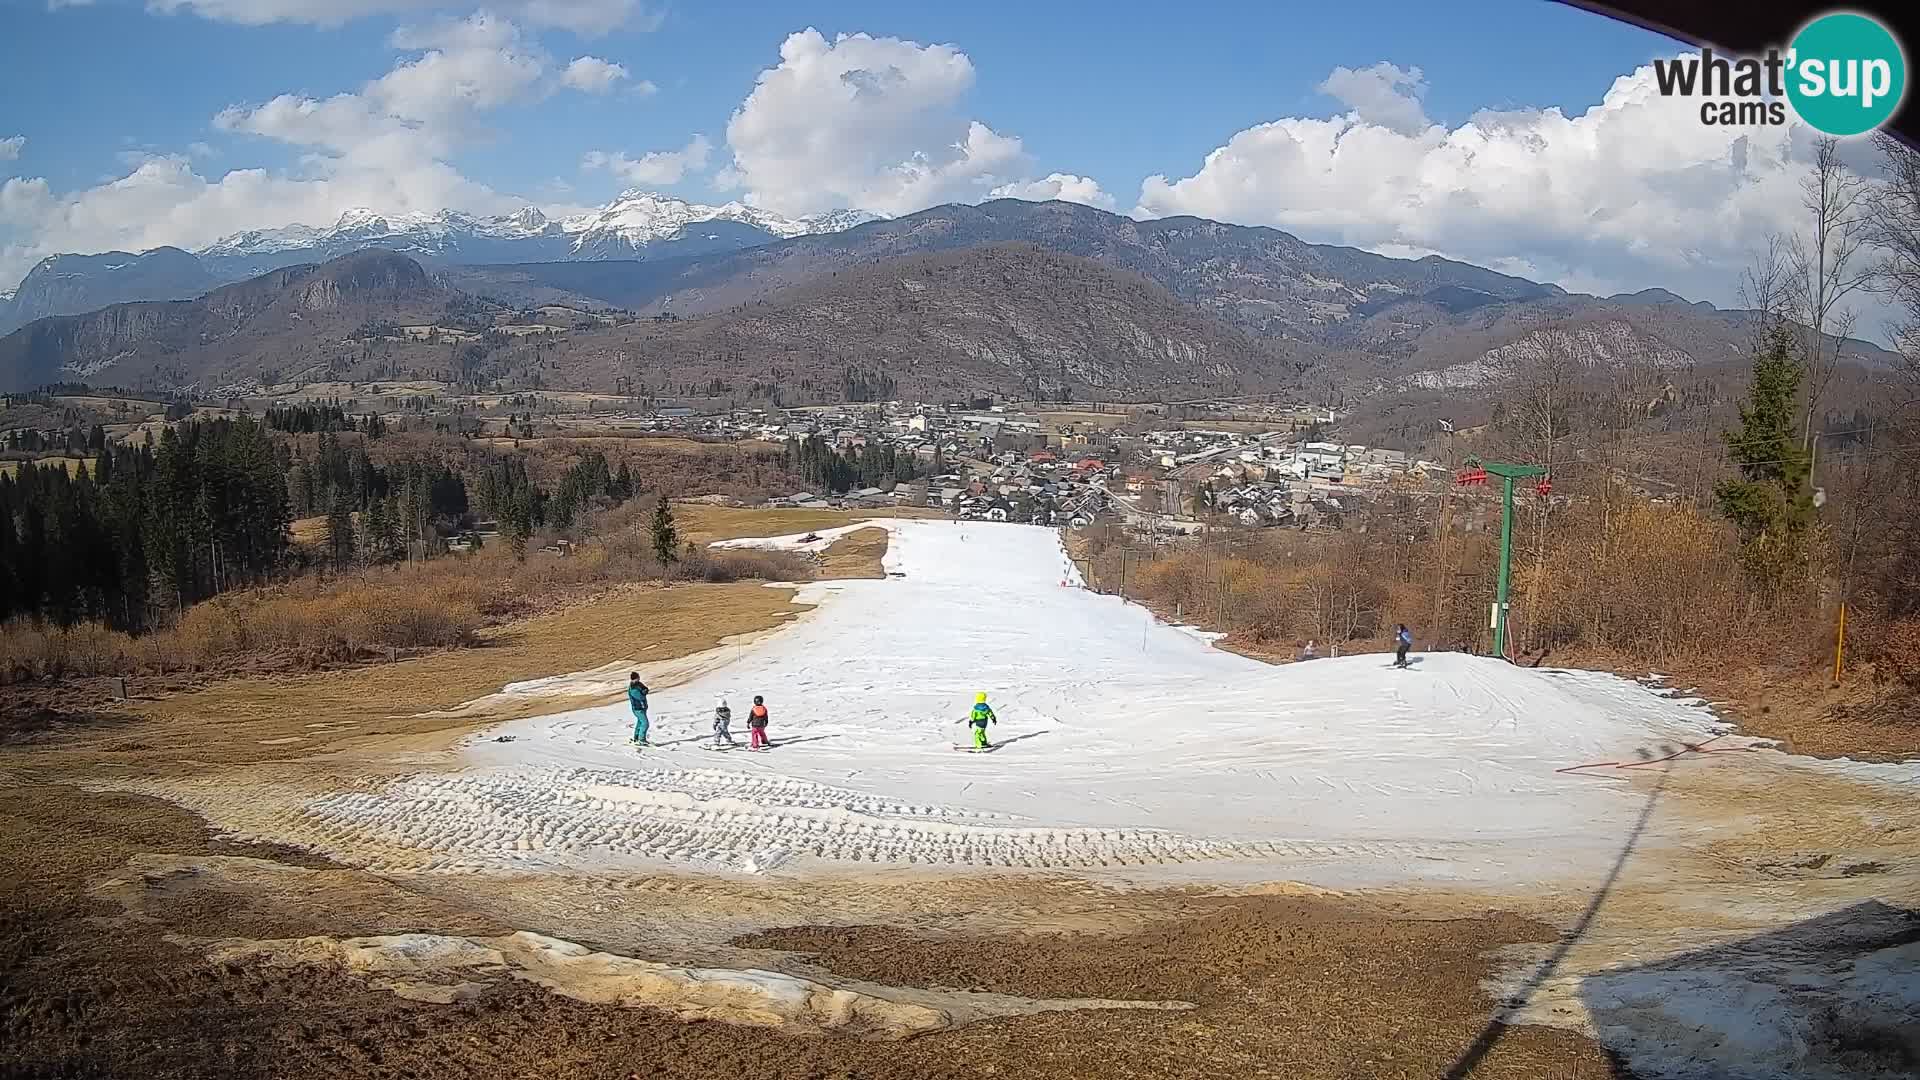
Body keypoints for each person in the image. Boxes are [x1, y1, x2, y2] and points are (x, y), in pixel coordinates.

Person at [628, 672, 650, 745]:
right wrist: (644, 692)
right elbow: (640, 697)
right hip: (638, 709)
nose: (639, 678)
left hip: (642, 707)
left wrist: (645, 690)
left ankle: (636, 737)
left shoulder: (638, 684)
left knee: (640, 722)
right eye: (638, 677)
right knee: (645, 723)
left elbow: (645, 688)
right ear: (634, 679)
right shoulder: (633, 688)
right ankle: (641, 739)